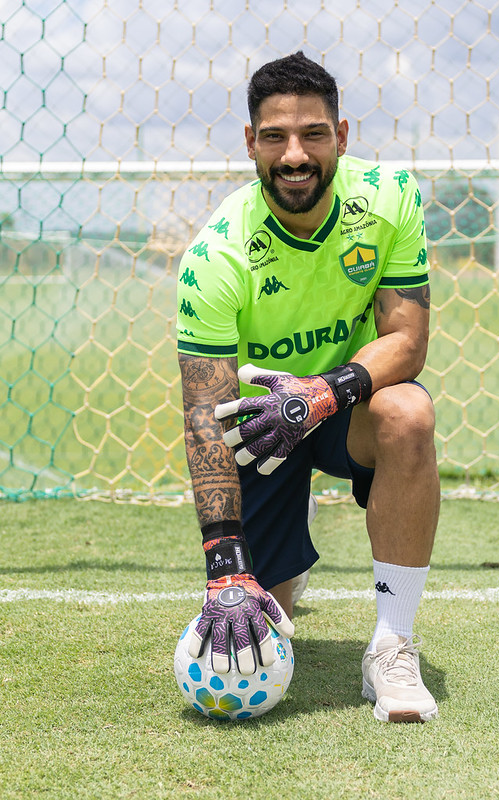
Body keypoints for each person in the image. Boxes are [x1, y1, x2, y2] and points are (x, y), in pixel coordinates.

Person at [176, 52, 440, 723]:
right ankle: (285, 533)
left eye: (313, 134)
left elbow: (407, 341)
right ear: (250, 143)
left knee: (409, 412)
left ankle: (392, 646)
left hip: (348, 407)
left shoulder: (388, 197)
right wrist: (225, 563)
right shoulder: (215, 255)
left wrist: (321, 393)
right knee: (261, 627)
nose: (295, 155)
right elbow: (205, 415)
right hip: (260, 429)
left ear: (341, 136)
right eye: (275, 137)